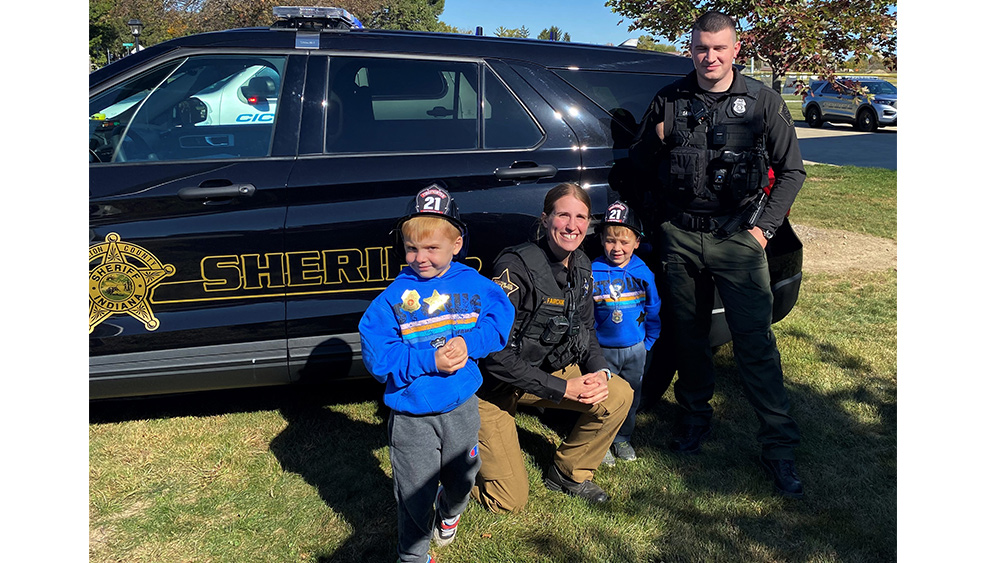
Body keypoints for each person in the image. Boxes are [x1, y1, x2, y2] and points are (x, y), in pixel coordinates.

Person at [629, 11, 807, 499]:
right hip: (680, 237)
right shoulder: (670, 99)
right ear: (691, 49)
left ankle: (779, 447)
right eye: (701, 48)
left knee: (755, 344)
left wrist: (763, 233)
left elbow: (792, 172)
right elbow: (639, 165)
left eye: (719, 48)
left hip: (738, 238)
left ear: (736, 50)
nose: (710, 57)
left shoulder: (762, 102)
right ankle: (694, 418)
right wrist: (657, 142)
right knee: (688, 336)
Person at [359, 185, 516, 563]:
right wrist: (429, 361)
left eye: (432, 248)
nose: (420, 257)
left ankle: (451, 508)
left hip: (461, 406)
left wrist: (471, 343)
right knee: (413, 493)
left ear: (456, 244)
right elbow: (378, 358)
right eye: (412, 248)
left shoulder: (476, 285)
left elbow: (500, 319)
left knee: (464, 476)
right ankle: (413, 555)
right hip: (411, 415)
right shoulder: (392, 299)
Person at [472, 183, 633, 512]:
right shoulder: (515, 267)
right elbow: (494, 355)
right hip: (493, 388)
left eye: (581, 217)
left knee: (618, 394)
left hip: (544, 372)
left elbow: (586, 328)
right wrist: (563, 389)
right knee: (507, 501)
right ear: (545, 220)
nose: (572, 225)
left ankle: (568, 474)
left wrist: (598, 370)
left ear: (589, 224)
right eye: (563, 215)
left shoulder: (583, 268)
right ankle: (453, 473)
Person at [590, 201, 661, 465]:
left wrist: (649, 341)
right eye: (610, 241)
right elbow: (587, 312)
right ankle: (602, 441)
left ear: (636, 243)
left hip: (635, 349)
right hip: (603, 350)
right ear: (601, 240)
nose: (616, 248)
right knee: (603, 397)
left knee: (631, 395)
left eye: (623, 242)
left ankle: (622, 438)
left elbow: (653, 307)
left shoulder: (643, 273)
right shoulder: (592, 271)